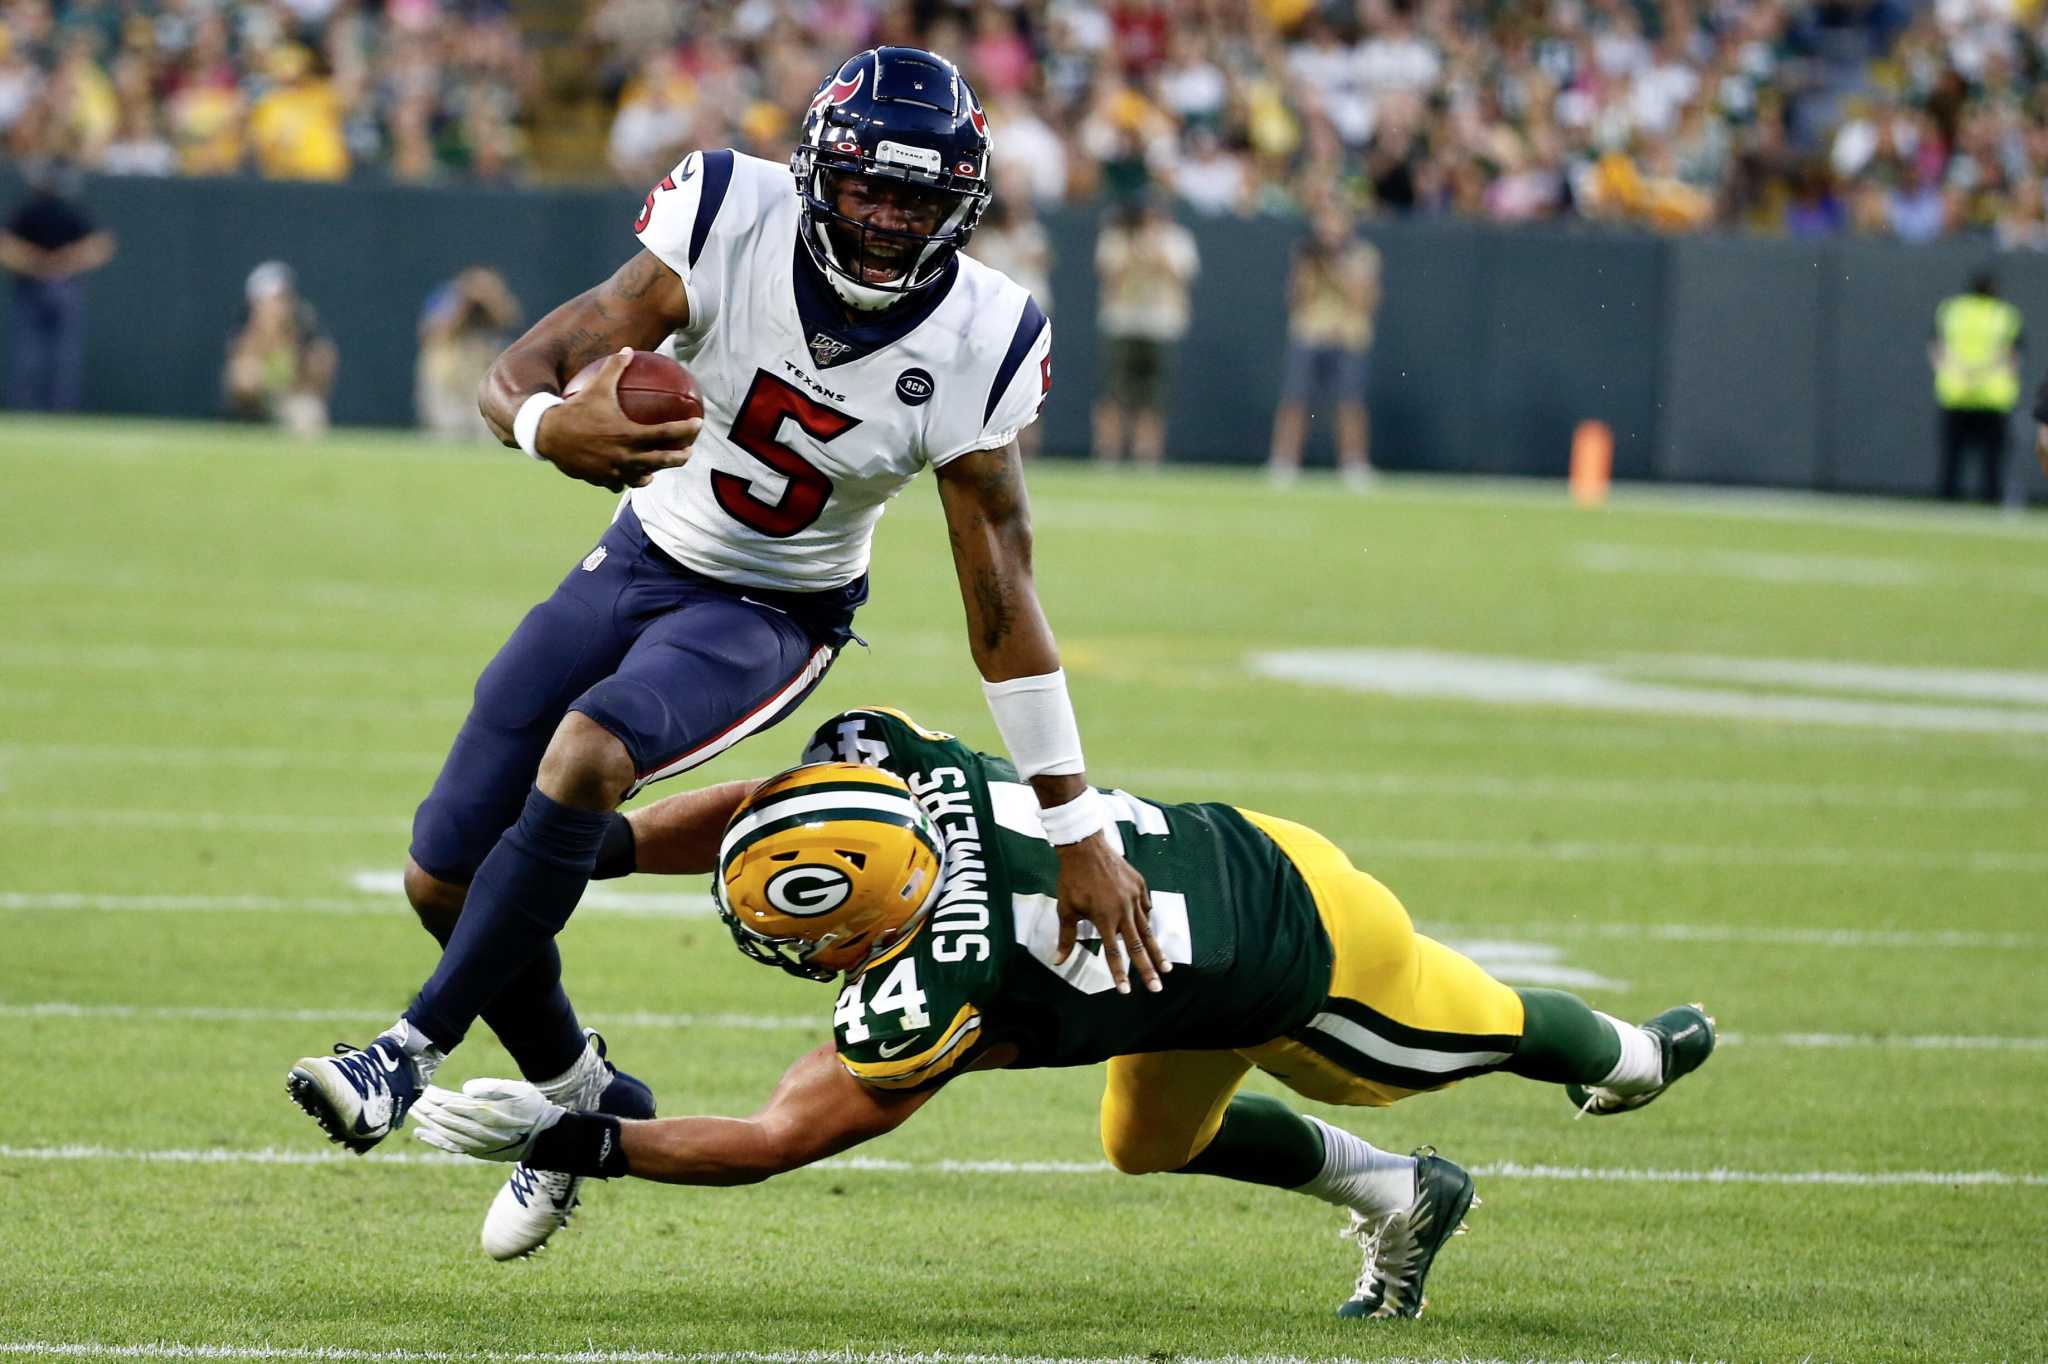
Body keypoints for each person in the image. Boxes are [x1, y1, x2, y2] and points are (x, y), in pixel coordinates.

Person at [286, 47, 1155, 1262]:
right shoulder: (726, 213)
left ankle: (402, 1050)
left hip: (773, 607)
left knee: (590, 750)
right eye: (865, 188)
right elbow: (518, 371)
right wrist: (550, 427)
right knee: (442, 876)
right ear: (815, 175)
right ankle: (586, 1095)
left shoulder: (981, 333)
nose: (886, 218)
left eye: (915, 199)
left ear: (959, 206)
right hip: (640, 552)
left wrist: (1075, 829)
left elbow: (1001, 596)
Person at [409, 704, 1718, 1320]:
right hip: (1203, 911)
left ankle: (1634, 1053)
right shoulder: (904, 771)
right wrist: (611, 849)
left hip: (1300, 952)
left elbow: (773, 1141)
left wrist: (578, 1139)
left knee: (1454, 1037)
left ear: (863, 938)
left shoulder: (943, 988)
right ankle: (1401, 1197)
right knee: (1142, 1142)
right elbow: (784, 808)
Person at [1267, 205, 1381, 489]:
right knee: (1295, 399)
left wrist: (1336, 268)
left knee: (1349, 402)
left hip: (1348, 335)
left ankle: (1354, 463)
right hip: (1310, 332)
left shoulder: (1363, 255)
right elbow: (1295, 298)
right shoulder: (1305, 254)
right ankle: (1284, 461)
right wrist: (1310, 270)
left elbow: (1364, 299)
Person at [1092, 193, 1198, 467]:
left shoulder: (1176, 239)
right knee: (1116, 390)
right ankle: (1109, 452)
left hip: (1160, 324)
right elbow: (1111, 276)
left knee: (1155, 394)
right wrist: (1136, 249)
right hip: (1124, 321)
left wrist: (1156, 250)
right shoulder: (1117, 238)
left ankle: (1147, 453)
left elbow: (1181, 277)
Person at [0, 160, 115, 412]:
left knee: (59, 358)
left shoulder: (67, 210)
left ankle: (56, 411)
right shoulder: (29, 210)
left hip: (58, 287)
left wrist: (60, 262)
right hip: (36, 288)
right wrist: (39, 263)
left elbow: (101, 246)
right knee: (31, 356)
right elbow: (6, 246)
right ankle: (30, 410)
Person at [1929, 269, 2023, 505]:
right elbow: (2012, 357)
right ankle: (1990, 503)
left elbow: (1936, 350)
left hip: (1956, 393)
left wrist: (1960, 373)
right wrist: (1983, 374)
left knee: (1952, 458)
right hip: (1992, 396)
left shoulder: (1952, 311)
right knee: (1992, 460)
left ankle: (1947, 503)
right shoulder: (2004, 314)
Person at [223, 260, 337, 436]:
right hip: (260, 403)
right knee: (246, 376)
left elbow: (323, 369)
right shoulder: (245, 329)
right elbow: (240, 382)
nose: (280, 306)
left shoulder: (303, 327)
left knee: (309, 415)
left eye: (284, 298)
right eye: (275, 299)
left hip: (291, 398)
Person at [416, 266, 522, 438]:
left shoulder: (492, 305)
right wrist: (464, 302)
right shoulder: (449, 296)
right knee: (448, 429)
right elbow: (433, 332)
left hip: (477, 376)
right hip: (448, 372)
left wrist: (490, 298)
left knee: (485, 427)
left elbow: (510, 320)